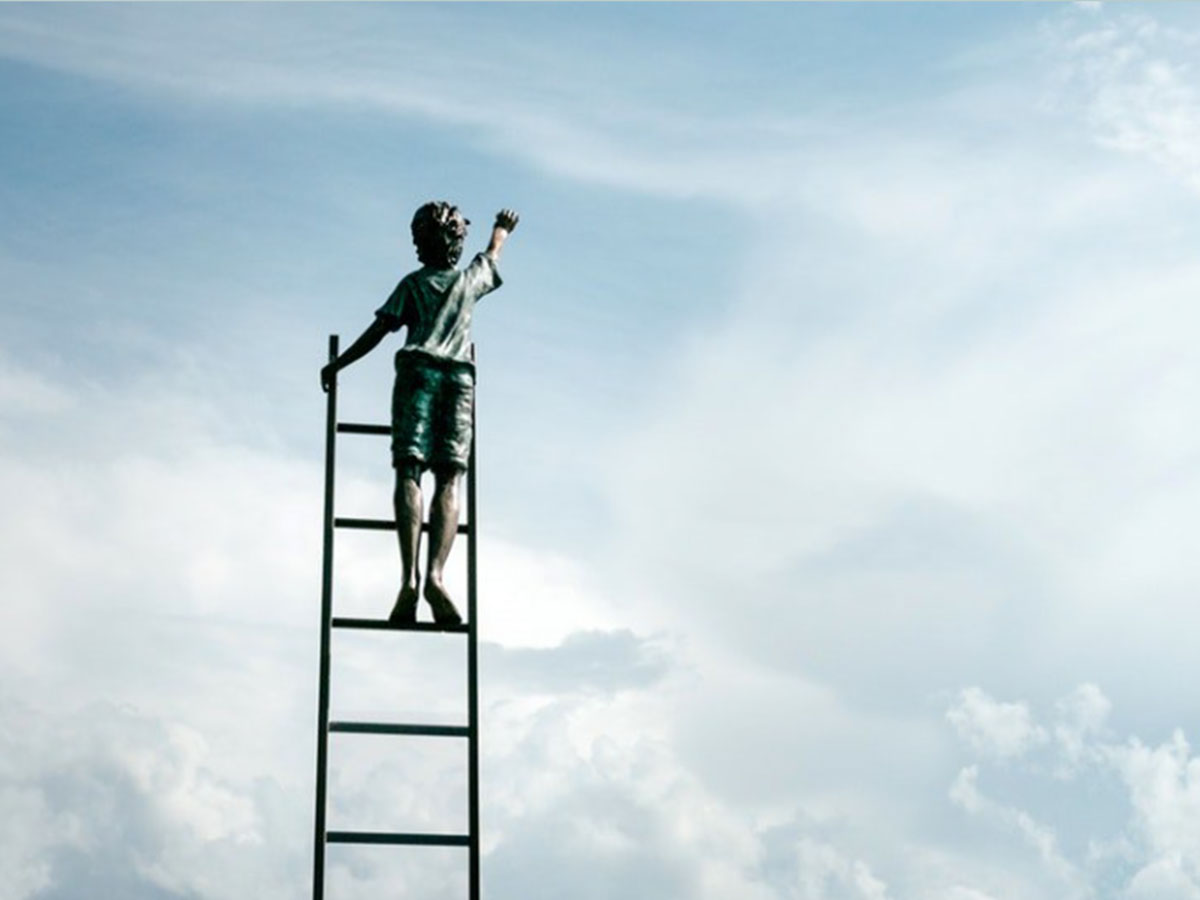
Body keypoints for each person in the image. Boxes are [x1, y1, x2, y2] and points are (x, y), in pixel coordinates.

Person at [321, 202, 519, 625]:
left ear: (423, 242)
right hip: (458, 380)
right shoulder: (468, 281)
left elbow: (378, 331)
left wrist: (340, 365)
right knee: (450, 477)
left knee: (409, 471)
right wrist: (501, 230)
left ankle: (409, 578)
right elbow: (492, 256)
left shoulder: (412, 285)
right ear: (455, 243)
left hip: (417, 376)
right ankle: (435, 575)